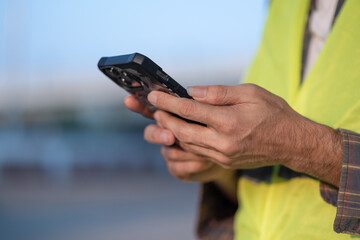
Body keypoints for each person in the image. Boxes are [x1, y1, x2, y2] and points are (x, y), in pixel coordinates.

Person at [125, 0, 360, 239]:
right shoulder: (281, 8)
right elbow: (266, 187)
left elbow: (287, 145)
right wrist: (217, 164)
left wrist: (300, 145)